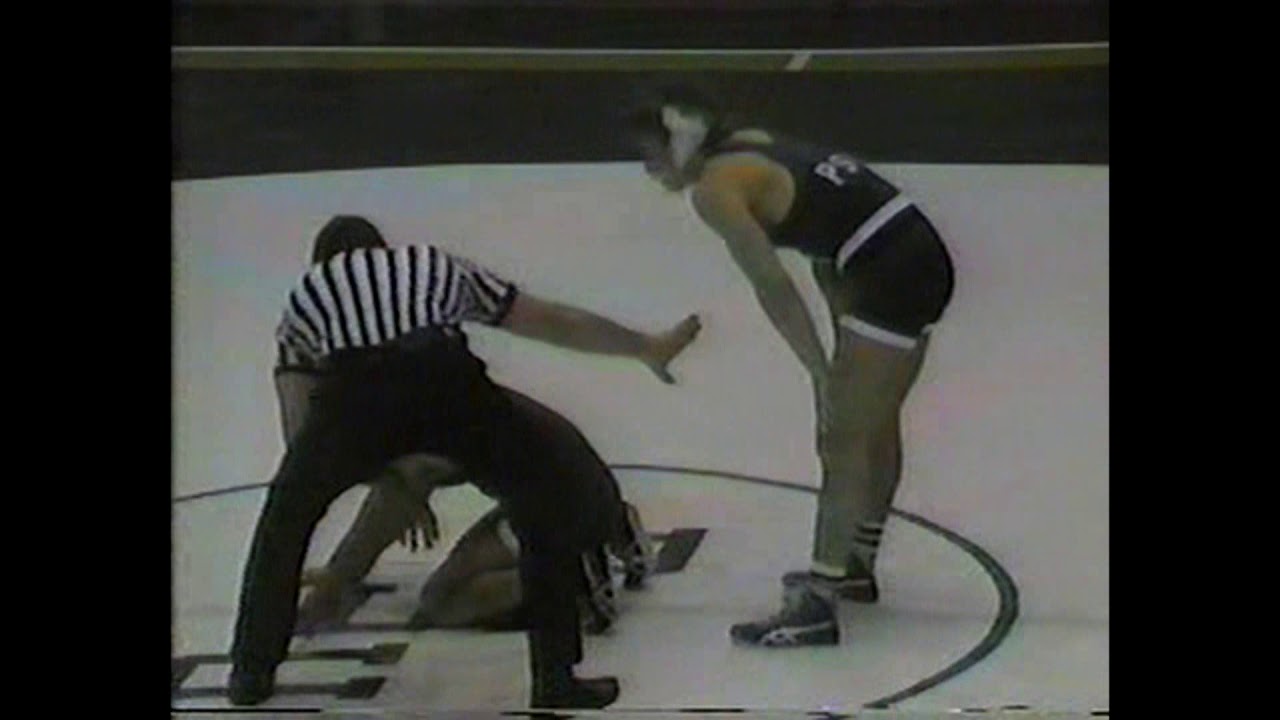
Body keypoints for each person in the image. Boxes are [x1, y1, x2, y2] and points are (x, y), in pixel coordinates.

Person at [229, 215, 700, 708]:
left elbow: (297, 425)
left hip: (354, 395)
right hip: (443, 379)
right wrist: (645, 345)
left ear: (323, 264)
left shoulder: (309, 295)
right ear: (383, 250)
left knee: (283, 525)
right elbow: (553, 321)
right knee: (538, 498)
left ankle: (250, 673)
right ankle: (556, 676)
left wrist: (377, 477)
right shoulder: (430, 265)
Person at [625, 86, 955, 647]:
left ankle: (819, 602)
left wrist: (819, 371)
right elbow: (827, 238)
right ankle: (853, 565)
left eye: (652, 153)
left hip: (891, 269)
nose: (647, 168)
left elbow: (774, 286)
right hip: (904, 252)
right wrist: (835, 350)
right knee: (870, 421)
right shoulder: (751, 143)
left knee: (842, 435)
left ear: (682, 144)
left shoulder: (714, 189)